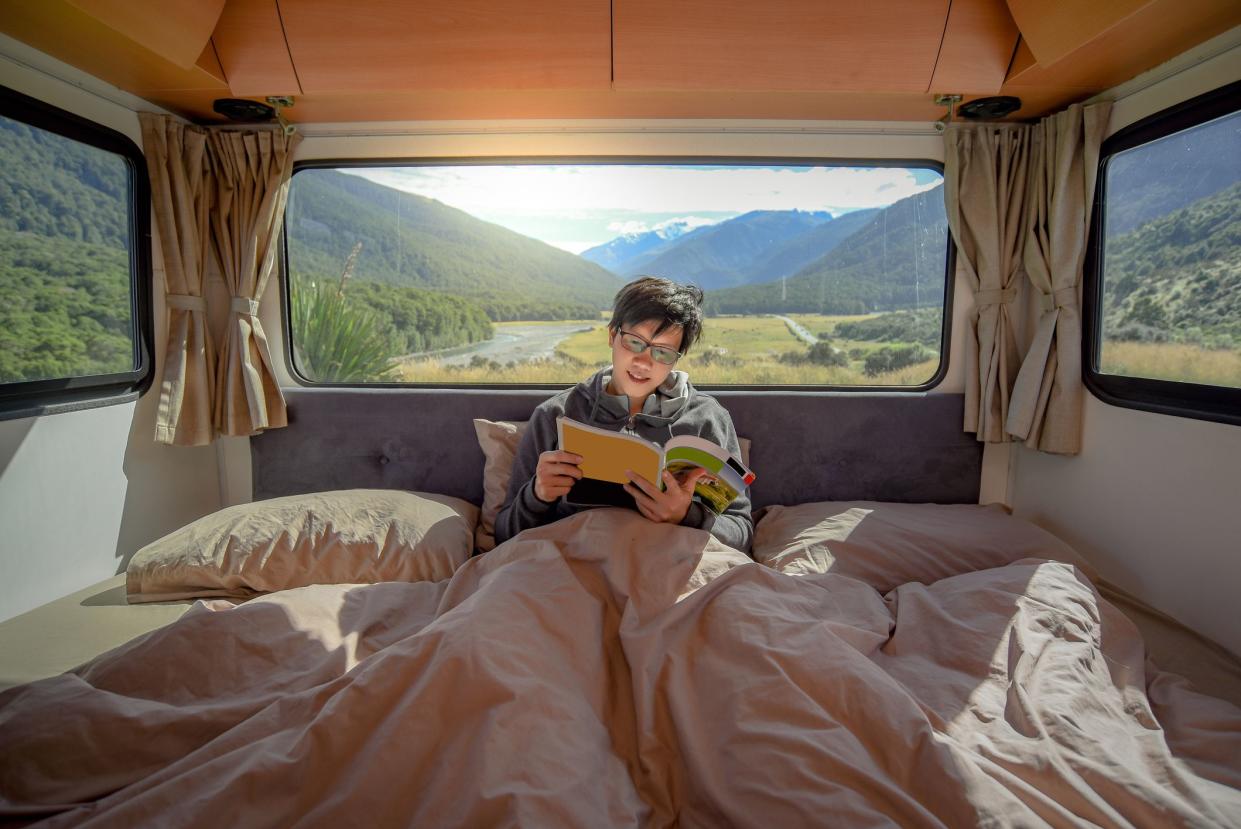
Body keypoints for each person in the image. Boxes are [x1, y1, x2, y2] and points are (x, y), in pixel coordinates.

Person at [493, 276, 753, 552]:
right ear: (612, 335)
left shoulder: (709, 418)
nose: (644, 362)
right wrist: (538, 495)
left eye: (663, 353)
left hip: (666, 568)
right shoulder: (556, 414)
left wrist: (686, 515)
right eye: (635, 342)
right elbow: (503, 535)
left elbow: (742, 532)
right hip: (571, 566)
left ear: (677, 358)